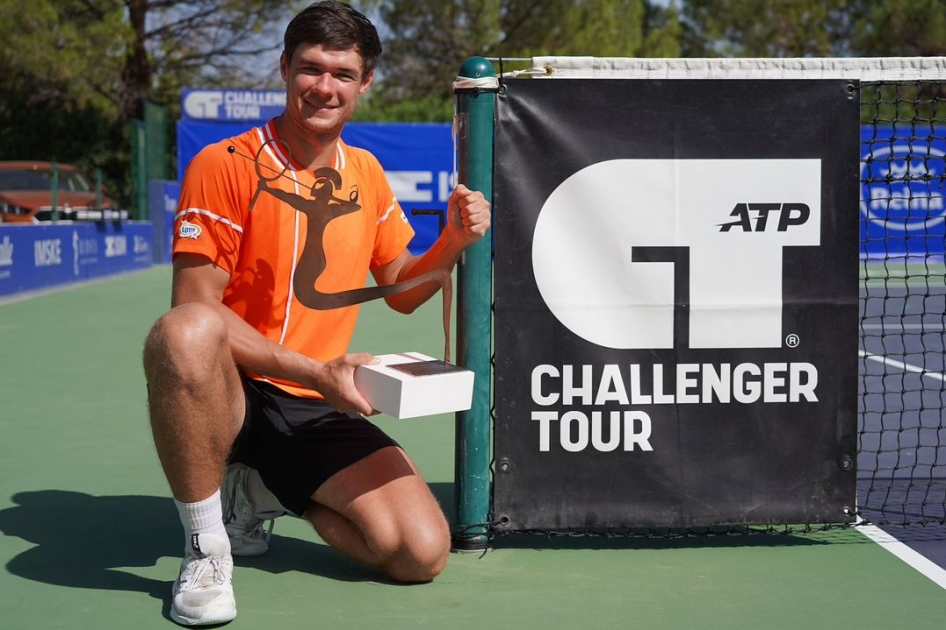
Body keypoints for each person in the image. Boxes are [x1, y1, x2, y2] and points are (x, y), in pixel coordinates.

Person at [141, 1, 491, 626]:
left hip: (311, 398)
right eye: (311, 68)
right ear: (284, 69)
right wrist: (315, 371)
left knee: (419, 552)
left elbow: (404, 290)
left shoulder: (367, 173)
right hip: (233, 387)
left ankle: (261, 489)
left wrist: (454, 243)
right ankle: (205, 546)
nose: (324, 87)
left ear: (366, 83)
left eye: (343, 74)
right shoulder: (224, 163)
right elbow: (197, 309)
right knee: (183, 331)